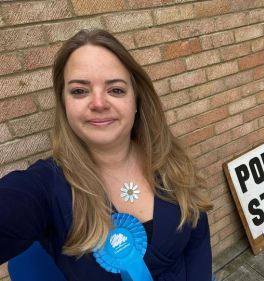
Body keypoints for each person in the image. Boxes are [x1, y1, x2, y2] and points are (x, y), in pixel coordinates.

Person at [0, 28, 214, 281]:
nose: (99, 103)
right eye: (79, 90)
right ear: (64, 104)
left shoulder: (170, 159)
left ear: (137, 101)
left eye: (116, 90)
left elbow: (197, 239)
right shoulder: (47, 187)